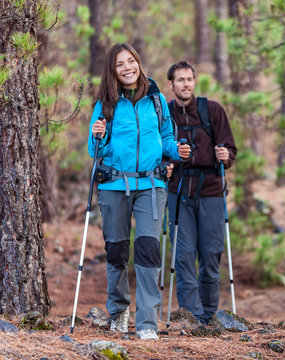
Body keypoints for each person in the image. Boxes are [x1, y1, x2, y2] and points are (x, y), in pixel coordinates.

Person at [88, 43, 190, 340]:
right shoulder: (105, 103)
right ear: (113, 70)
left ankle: (147, 323)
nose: (127, 67)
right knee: (117, 250)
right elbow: (95, 150)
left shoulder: (156, 99)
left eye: (131, 61)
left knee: (148, 251)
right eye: (120, 64)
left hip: (151, 185)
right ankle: (119, 312)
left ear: (138, 63)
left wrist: (178, 150)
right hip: (114, 185)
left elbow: (166, 138)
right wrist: (97, 136)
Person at [166, 61, 237, 325]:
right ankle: (192, 317)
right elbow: (159, 151)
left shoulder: (213, 110)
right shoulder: (165, 115)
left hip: (211, 192)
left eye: (189, 79)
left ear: (194, 82)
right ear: (170, 85)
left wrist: (225, 155)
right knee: (183, 256)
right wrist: (165, 165)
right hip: (178, 192)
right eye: (180, 80)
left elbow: (230, 149)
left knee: (210, 254)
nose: (185, 84)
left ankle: (209, 316)